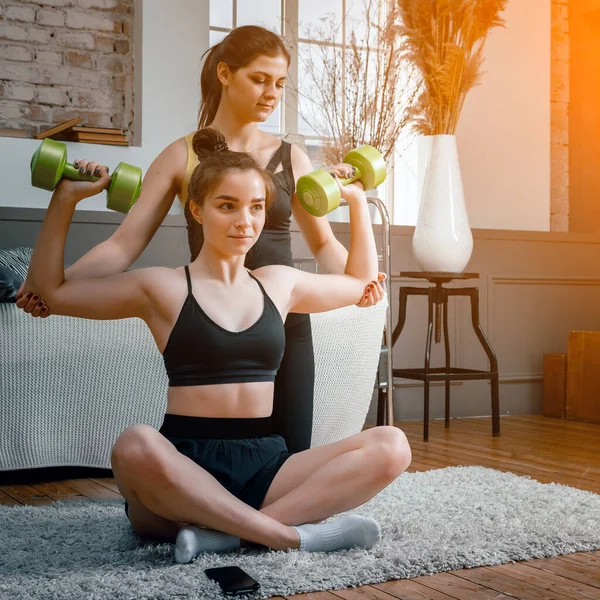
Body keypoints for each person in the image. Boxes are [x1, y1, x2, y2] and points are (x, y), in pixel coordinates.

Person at [24, 128, 411, 563]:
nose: (244, 221)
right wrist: (65, 199)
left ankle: (228, 536)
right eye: (227, 206)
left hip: (265, 463)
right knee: (134, 444)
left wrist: (356, 200)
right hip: (180, 467)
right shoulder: (161, 288)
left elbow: (360, 283)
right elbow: (49, 293)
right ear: (197, 210)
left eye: (256, 207)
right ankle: (286, 536)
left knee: (392, 445)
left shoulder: (279, 284)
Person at [16, 25, 386, 454]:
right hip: (210, 317)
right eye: (259, 79)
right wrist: (56, 288)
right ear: (225, 74)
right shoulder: (182, 155)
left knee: (287, 458)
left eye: (280, 83)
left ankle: (262, 519)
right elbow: (123, 245)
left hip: (282, 322)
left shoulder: (292, 158)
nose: (271, 93)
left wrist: (361, 282)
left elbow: (322, 245)